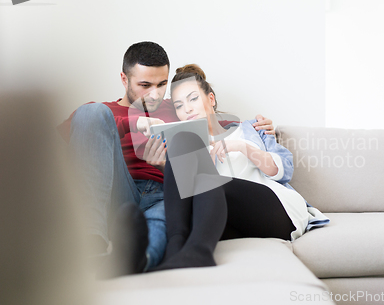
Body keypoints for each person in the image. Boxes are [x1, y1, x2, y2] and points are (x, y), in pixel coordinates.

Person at [58, 42, 276, 276]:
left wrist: (259, 128)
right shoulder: (101, 113)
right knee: (92, 112)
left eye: (162, 84)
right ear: (124, 79)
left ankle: (136, 261)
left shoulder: (178, 108)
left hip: (166, 194)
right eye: (145, 85)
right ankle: (94, 246)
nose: (155, 94)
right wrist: (134, 123)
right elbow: (56, 150)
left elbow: (219, 127)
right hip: (118, 189)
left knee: (162, 227)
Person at [151, 64, 329, 271]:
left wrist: (240, 147)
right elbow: (188, 198)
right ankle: (175, 249)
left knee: (207, 182)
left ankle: (199, 252)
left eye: (193, 99)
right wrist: (165, 166)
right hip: (227, 217)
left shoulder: (250, 129)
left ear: (210, 99)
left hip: (276, 211)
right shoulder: (189, 149)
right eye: (179, 105)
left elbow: (282, 170)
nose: (187, 109)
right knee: (182, 140)